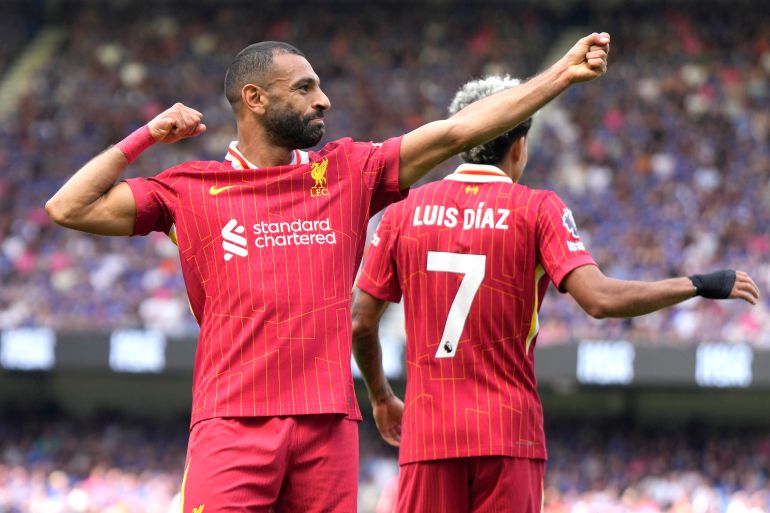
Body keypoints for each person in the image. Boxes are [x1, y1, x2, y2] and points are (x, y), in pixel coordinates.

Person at [45, 36, 610, 512]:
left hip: (328, 425)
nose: (325, 100)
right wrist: (147, 135)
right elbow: (67, 208)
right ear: (254, 98)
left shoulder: (345, 172)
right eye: (305, 88)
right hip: (230, 421)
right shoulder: (189, 189)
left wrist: (560, 75)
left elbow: (454, 133)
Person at [351, 75, 761, 513]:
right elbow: (600, 300)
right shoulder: (537, 209)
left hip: (428, 434)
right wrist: (697, 284)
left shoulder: (402, 213)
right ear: (519, 146)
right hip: (508, 433)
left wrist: (380, 396)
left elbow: (360, 320)